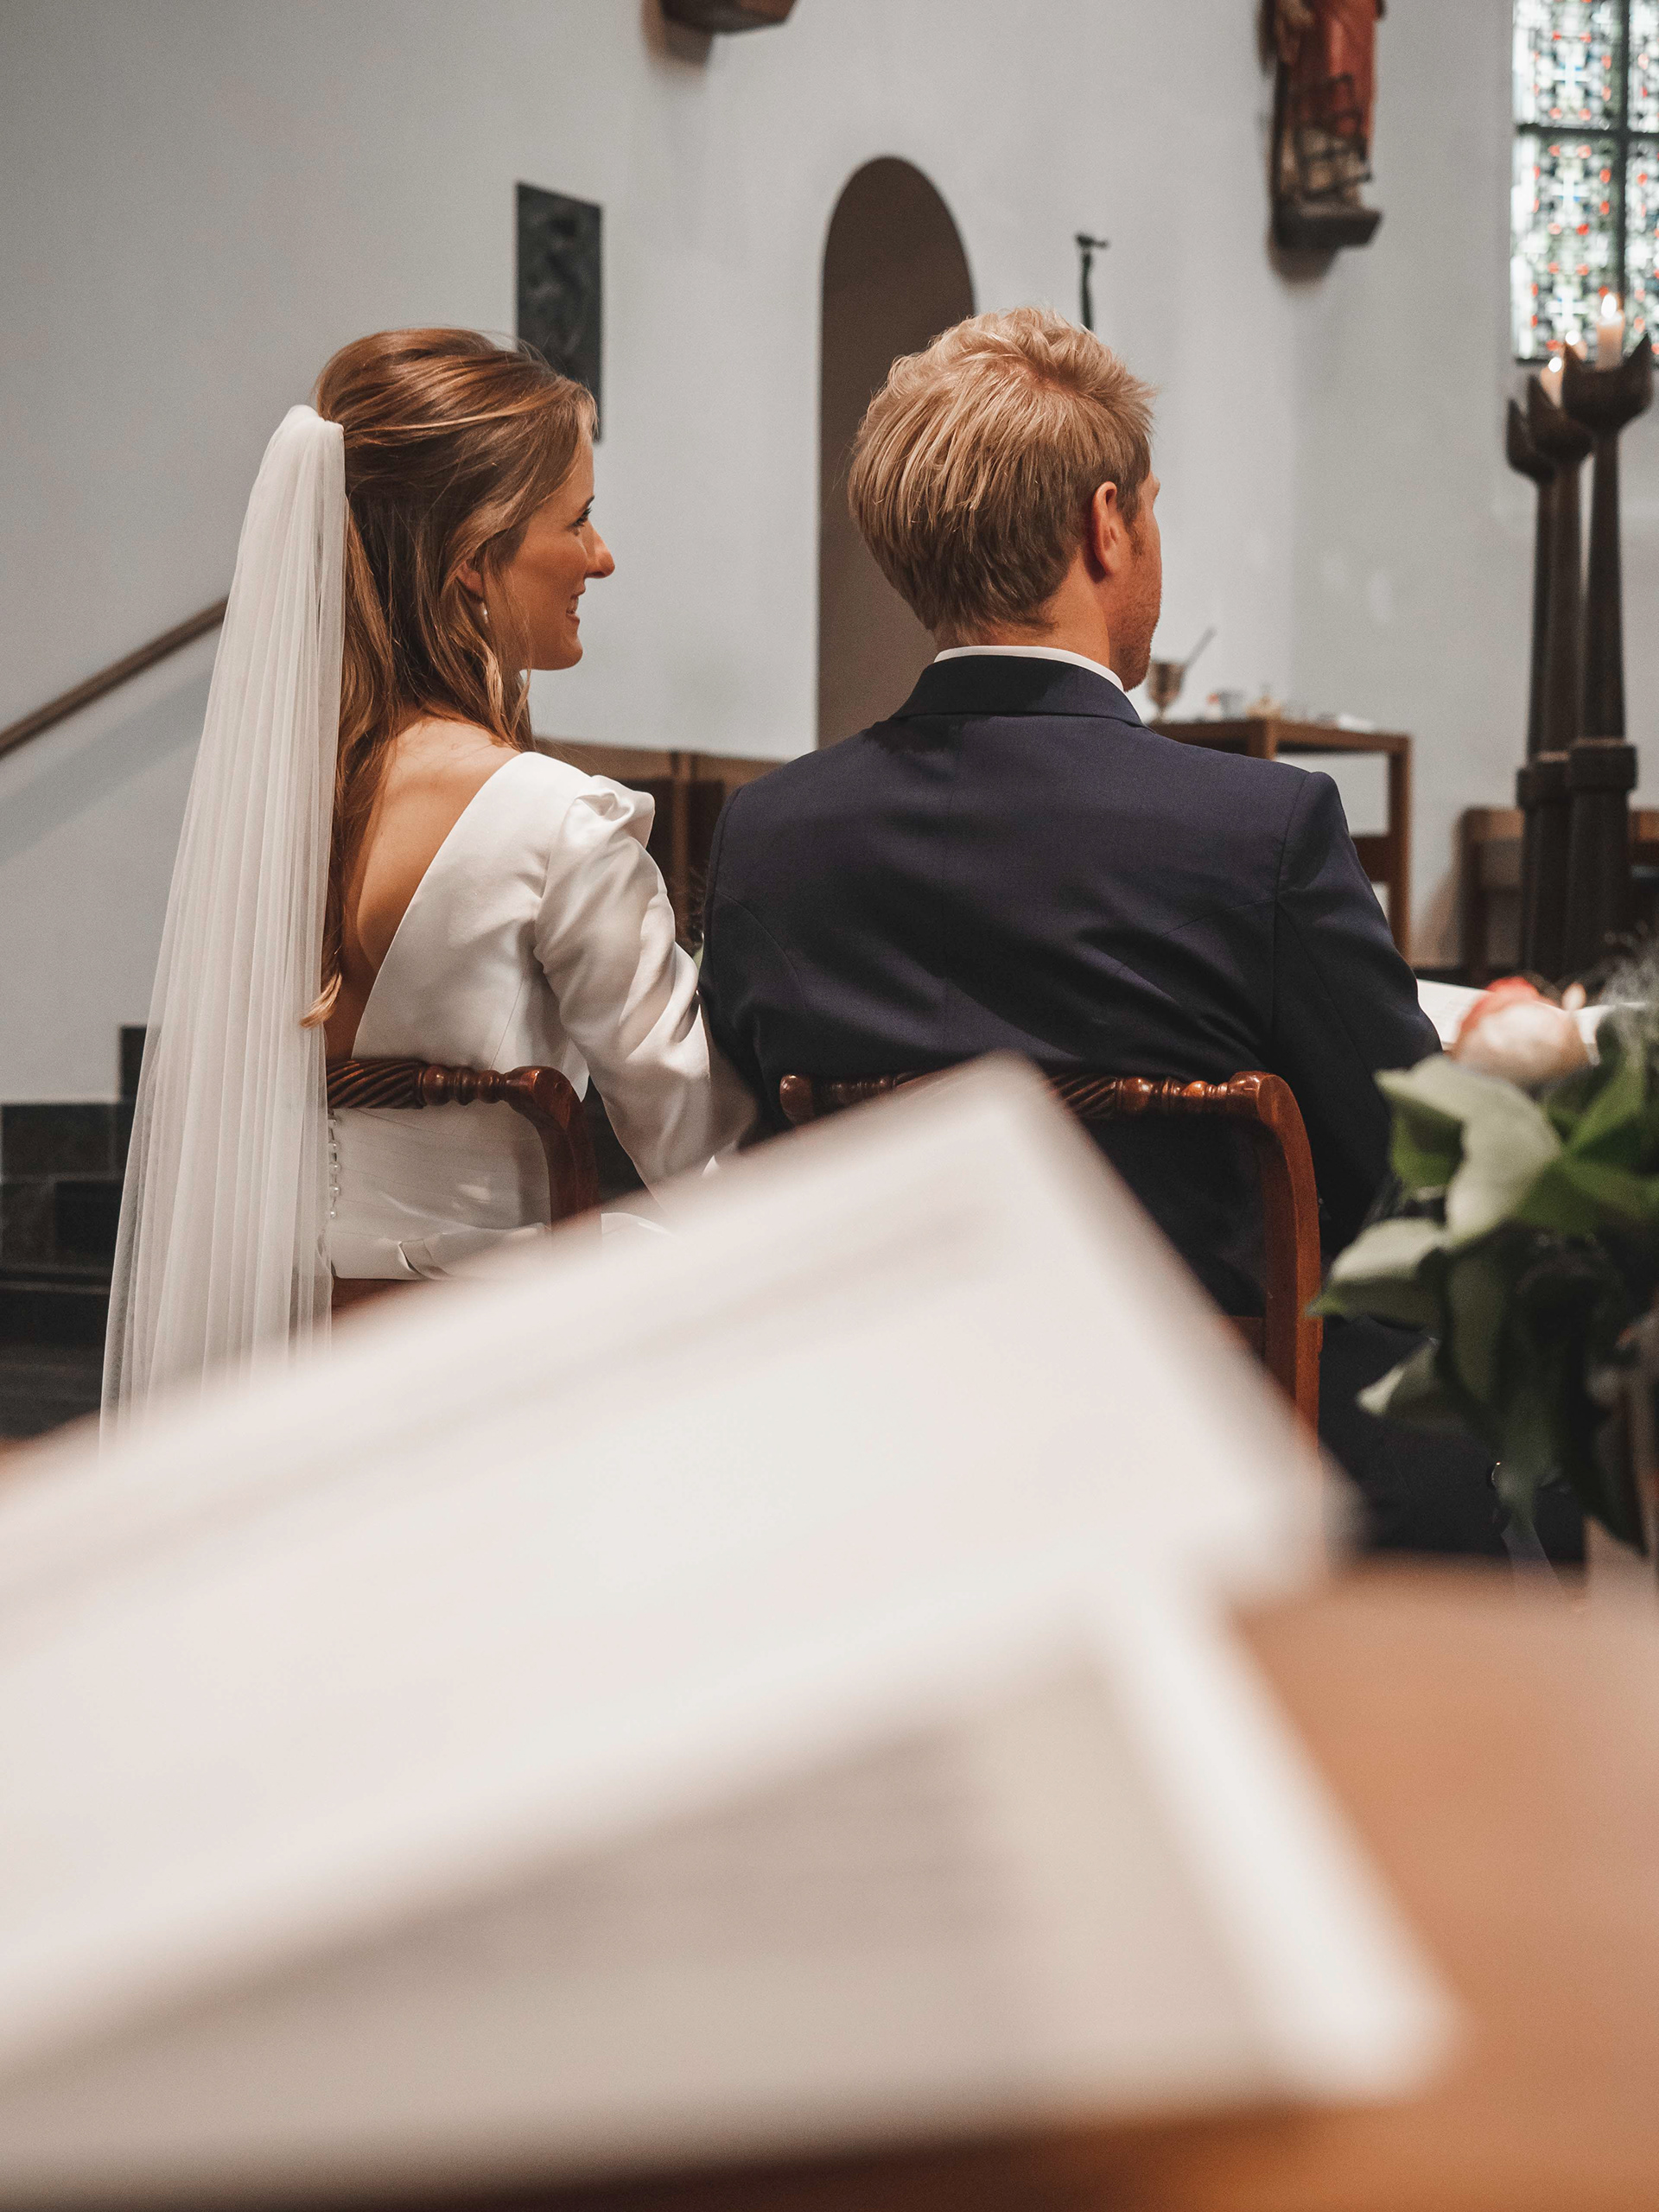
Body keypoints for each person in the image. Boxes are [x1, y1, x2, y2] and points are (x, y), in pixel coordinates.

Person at [697, 307, 1547, 1558]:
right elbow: (1404, 1169)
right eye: (1151, 511)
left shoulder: (773, 837)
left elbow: (752, 1140)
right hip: (1213, 1462)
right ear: (1109, 525)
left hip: (891, 1463)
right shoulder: (1261, 827)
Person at [106, 329, 750, 1421]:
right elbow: (704, 1148)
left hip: (291, 1337)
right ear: (472, 560)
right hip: (491, 1375)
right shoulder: (557, 826)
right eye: (577, 521)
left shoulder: (280, 820)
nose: (601, 558)